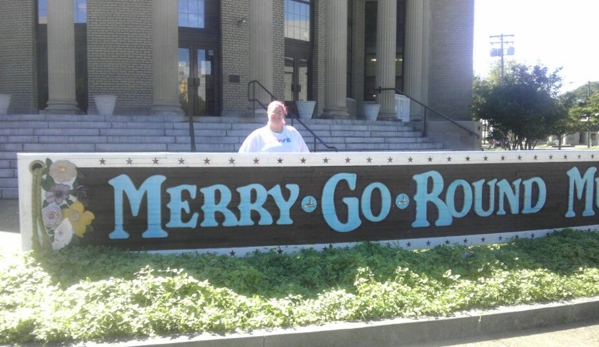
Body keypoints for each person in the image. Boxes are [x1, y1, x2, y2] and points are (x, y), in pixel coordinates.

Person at [238, 100, 310, 153]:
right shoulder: (257, 135)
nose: (277, 115)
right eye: (274, 112)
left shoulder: (293, 133)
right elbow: (242, 156)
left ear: (284, 115)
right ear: (268, 113)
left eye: (279, 112)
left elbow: (306, 155)